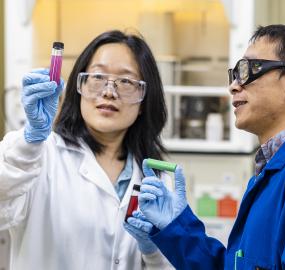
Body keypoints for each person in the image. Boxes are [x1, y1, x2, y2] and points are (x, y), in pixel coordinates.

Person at [130, 24, 285, 269]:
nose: (233, 86)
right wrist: (176, 226)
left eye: (250, 69)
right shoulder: (277, 170)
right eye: (235, 73)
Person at [0, 30, 174, 270]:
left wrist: (154, 252)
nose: (109, 91)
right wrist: (30, 141)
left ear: (144, 99)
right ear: (78, 86)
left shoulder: (158, 179)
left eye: (125, 81)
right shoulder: (39, 155)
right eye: (98, 77)